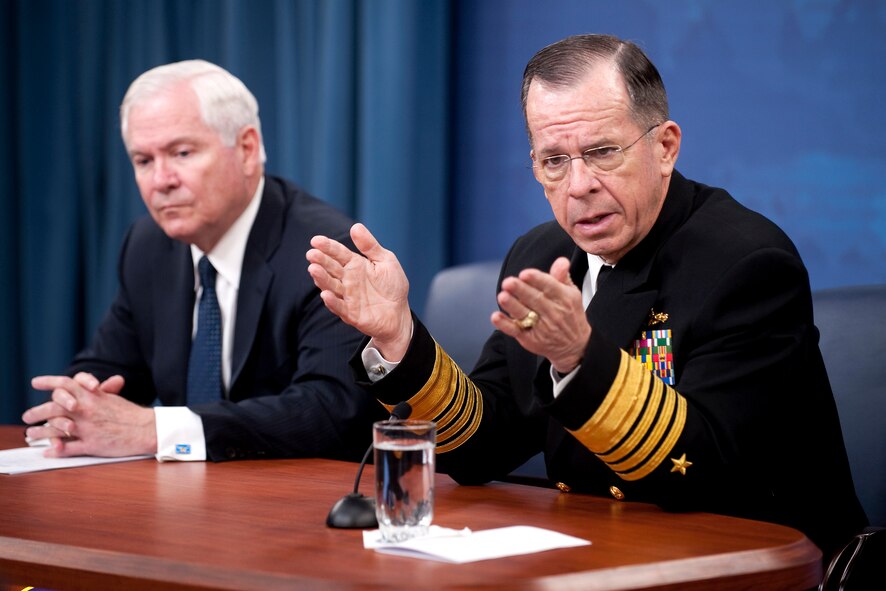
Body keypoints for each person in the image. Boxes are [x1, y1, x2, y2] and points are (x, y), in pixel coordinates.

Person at [306, 34, 867, 559]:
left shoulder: (746, 263)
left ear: (665, 147)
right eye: (555, 160)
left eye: (602, 151)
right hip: (602, 551)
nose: (579, 186)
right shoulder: (541, 254)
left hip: (747, 561)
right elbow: (483, 446)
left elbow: (704, 471)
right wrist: (399, 339)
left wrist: (581, 359)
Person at [22, 59, 387, 462]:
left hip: (298, 492)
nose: (161, 180)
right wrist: (79, 403)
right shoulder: (147, 246)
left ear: (246, 149)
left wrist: (157, 430)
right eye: (143, 161)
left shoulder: (324, 250)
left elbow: (332, 408)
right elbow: (113, 368)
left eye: (181, 153)